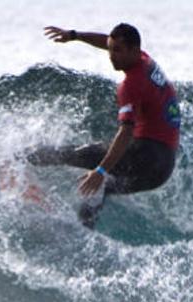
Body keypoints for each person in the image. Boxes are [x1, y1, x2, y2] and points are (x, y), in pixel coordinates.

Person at [34, 23, 181, 228]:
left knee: (76, 154)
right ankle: (84, 234)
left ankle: (19, 158)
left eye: (117, 51)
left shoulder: (130, 85)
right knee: (101, 188)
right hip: (163, 168)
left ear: (133, 50)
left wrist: (100, 170)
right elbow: (107, 41)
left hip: (147, 155)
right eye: (111, 49)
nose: (111, 55)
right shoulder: (145, 60)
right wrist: (75, 35)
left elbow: (126, 132)